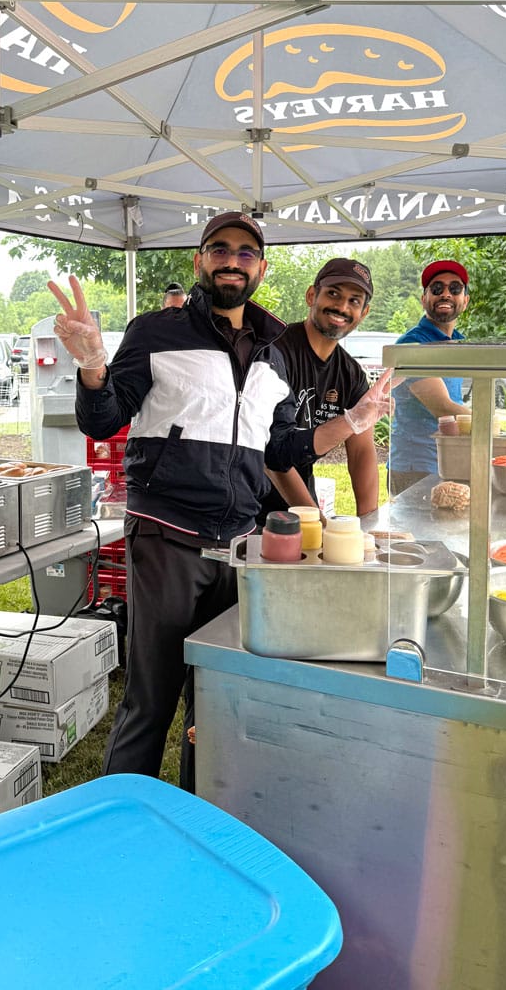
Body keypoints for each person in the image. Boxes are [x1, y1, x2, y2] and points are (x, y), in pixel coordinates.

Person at [48, 212, 393, 791]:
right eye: (219, 249)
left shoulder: (273, 350)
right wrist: (90, 364)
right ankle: (116, 827)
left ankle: (196, 815)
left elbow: (280, 449)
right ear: (199, 261)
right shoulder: (155, 331)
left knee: (214, 700)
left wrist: (354, 421)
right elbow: (105, 418)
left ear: (261, 267)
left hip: (238, 547)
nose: (232, 260)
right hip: (167, 534)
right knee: (151, 699)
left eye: (245, 253)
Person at [261, 257, 379, 520]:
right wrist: (317, 523)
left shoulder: (351, 375)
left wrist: (370, 526)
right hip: (250, 504)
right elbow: (271, 455)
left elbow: (362, 453)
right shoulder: (273, 351)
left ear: (364, 313)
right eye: (333, 294)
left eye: (354, 301)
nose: (342, 307)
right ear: (312, 295)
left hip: (302, 500)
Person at [388, 259, 472, 495]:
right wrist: (495, 431)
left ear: (465, 301)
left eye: (454, 289)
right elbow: (443, 407)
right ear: (424, 299)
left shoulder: (457, 341)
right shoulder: (413, 344)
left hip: (449, 461)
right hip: (415, 467)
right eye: (437, 289)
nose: (445, 294)